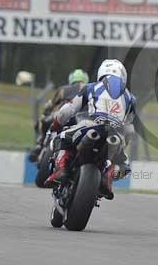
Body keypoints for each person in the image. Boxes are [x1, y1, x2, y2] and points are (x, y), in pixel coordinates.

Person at [47, 59, 136, 199]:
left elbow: (67, 111)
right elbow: (129, 128)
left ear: (101, 72)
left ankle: (61, 169)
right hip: (116, 136)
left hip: (90, 126)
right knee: (126, 169)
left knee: (61, 138)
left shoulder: (90, 87)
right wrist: (123, 144)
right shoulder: (131, 98)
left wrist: (56, 124)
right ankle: (109, 176)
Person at [30, 69, 89, 161]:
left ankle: (40, 144)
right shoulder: (90, 88)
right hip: (83, 119)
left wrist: (46, 110)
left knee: (44, 120)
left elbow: (51, 105)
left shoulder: (63, 89)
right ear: (85, 79)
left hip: (63, 116)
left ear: (71, 79)